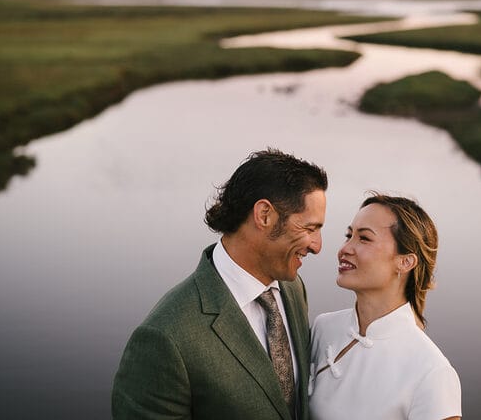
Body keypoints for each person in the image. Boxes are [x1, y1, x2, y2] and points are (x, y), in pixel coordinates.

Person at [112, 148, 328, 420]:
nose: (317, 246)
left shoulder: (293, 289)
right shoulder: (164, 338)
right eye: (309, 228)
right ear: (264, 215)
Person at [308, 194, 461, 420]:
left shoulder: (431, 371)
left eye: (364, 239)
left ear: (405, 262)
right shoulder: (324, 328)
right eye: (349, 235)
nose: (345, 249)